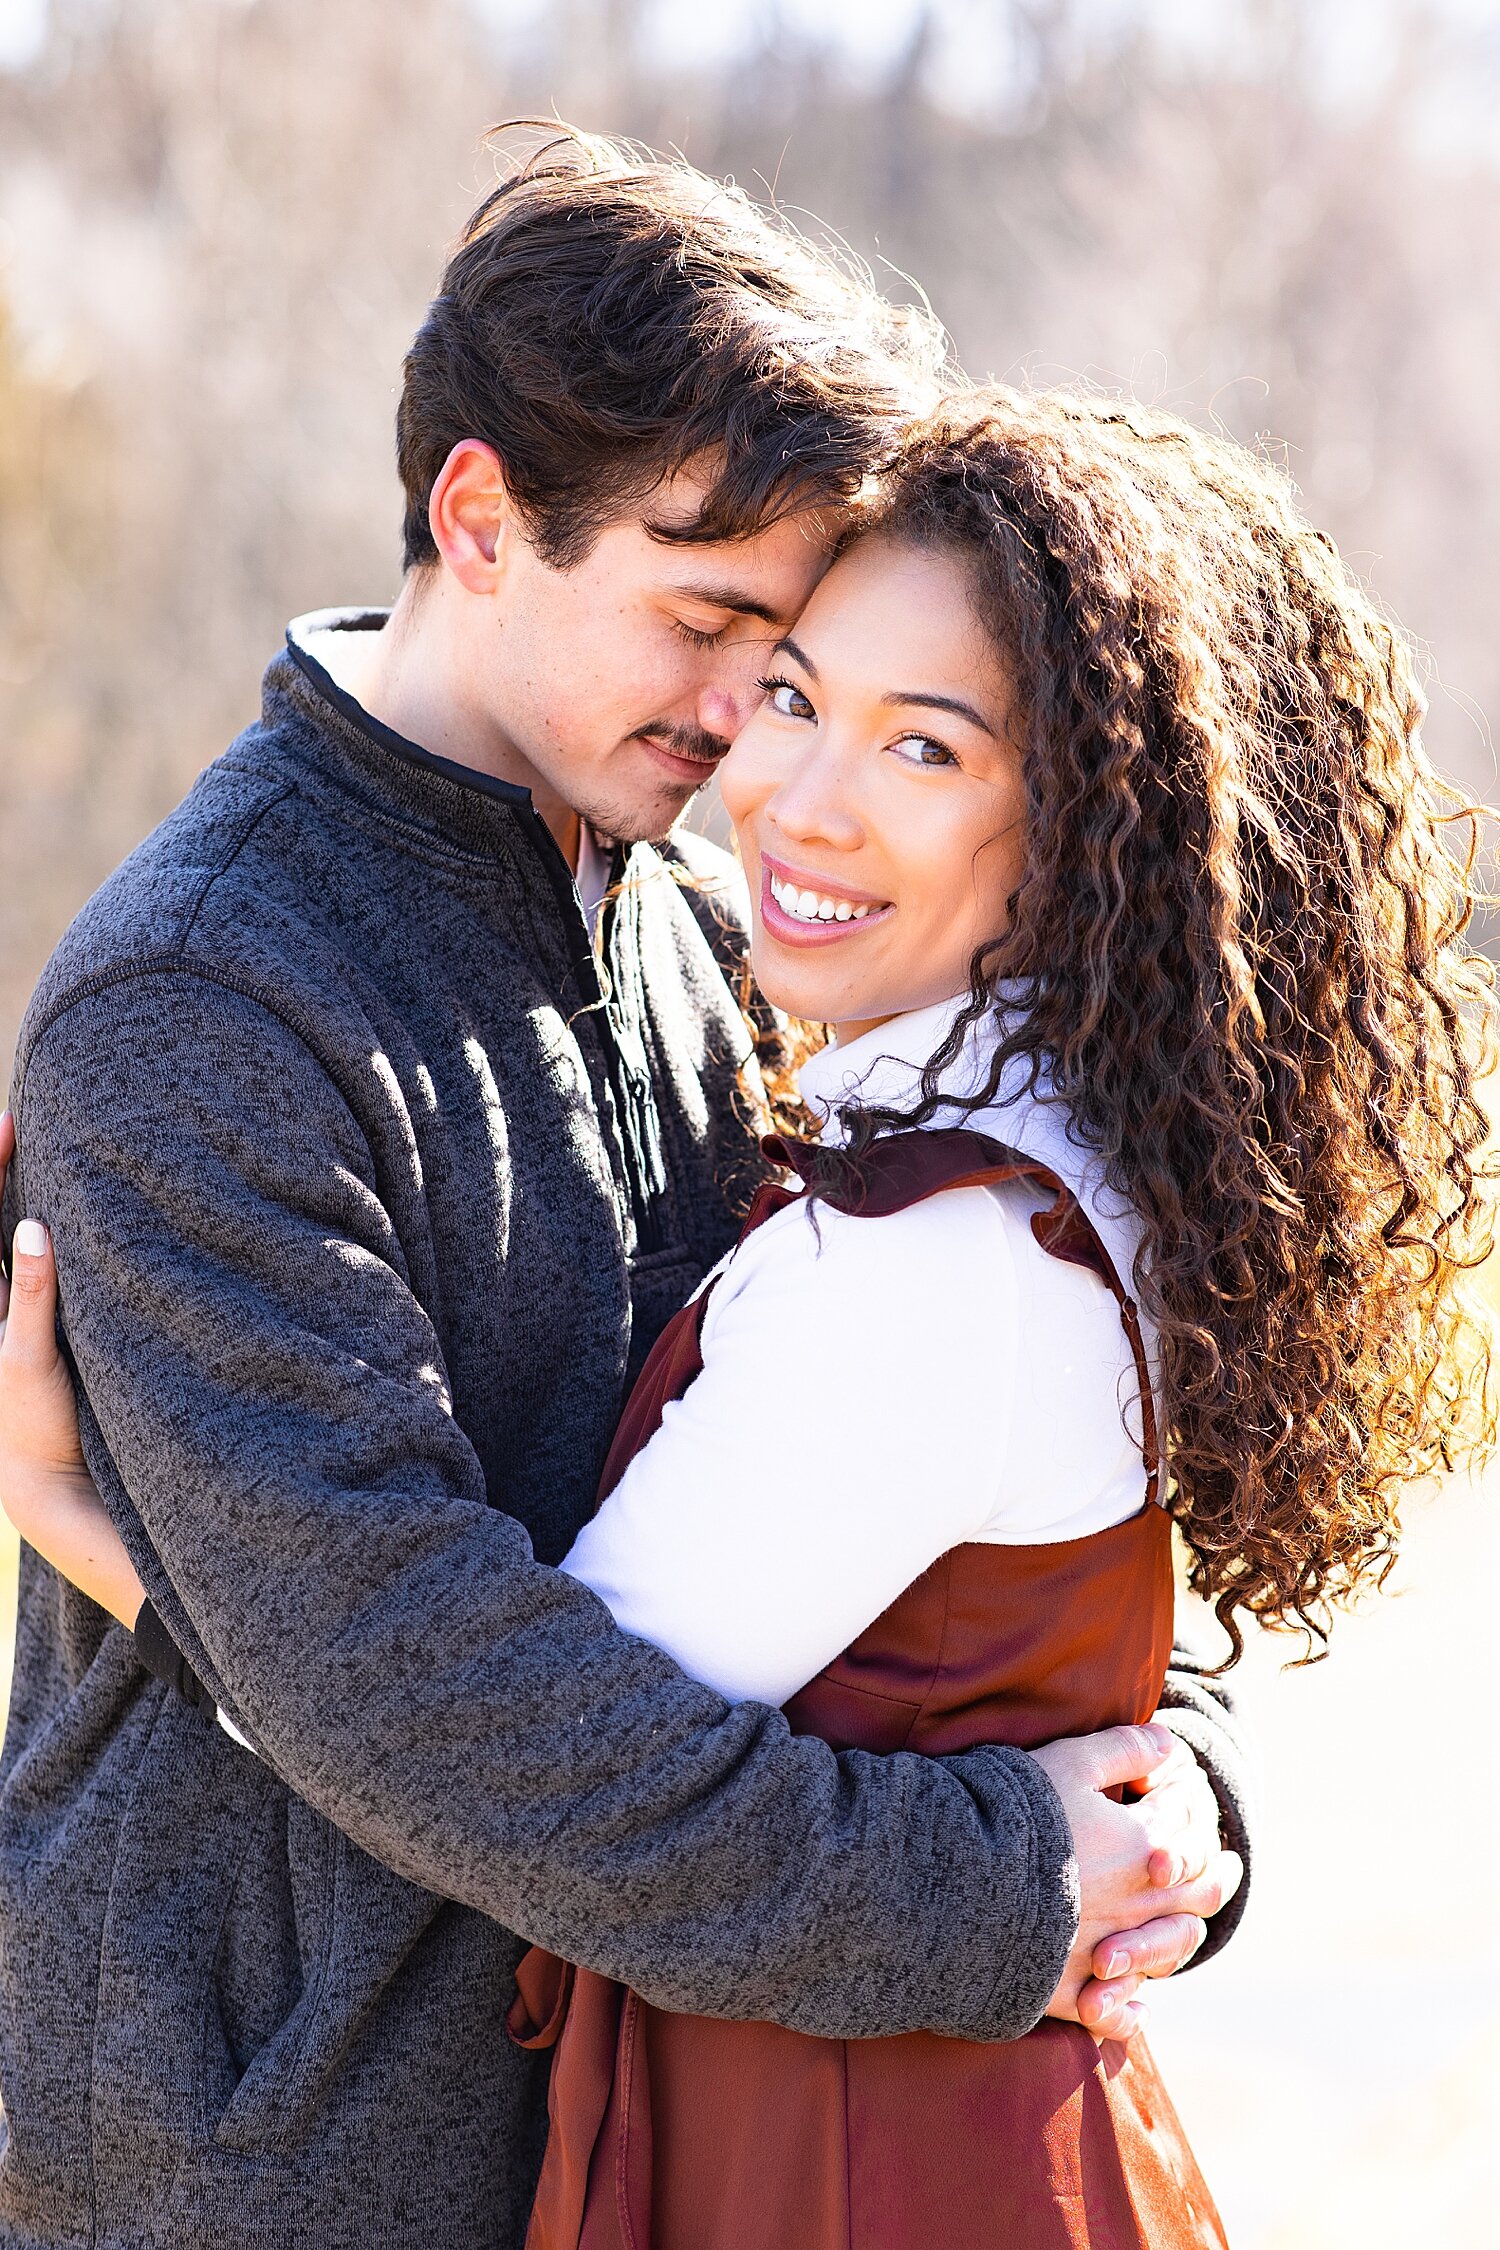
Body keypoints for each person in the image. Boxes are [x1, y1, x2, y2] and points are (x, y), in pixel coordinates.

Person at [8, 383, 1492, 2246]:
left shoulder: (929, 1237)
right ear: (474, 520)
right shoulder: (940, 1115)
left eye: (923, 746)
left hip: (859, 2161)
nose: (776, 772)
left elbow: (517, 1745)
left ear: (1079, 822)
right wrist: (1134, 1818)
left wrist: (107, 1534)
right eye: (779, 680)